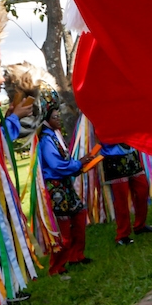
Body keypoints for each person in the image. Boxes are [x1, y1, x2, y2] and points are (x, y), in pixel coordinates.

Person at [36, 104, 95, 275]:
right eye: (55, 116)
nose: (59, 118)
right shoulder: (46, 139)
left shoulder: (54, 135)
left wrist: (78, 166)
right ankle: (56, 267)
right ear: (47, 119)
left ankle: (76, 256)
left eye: (59, 115)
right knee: (63, 227)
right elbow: (55, 165)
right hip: (56, 188)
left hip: (64, 185)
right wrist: (78, 163)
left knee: (79, 215)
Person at [99, 142, 152, 245]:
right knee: (121, 199)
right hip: (113, 158)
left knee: (142, 189)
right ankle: (122, 235)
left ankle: (140, 225)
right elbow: (103, 136)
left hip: (131, 155)